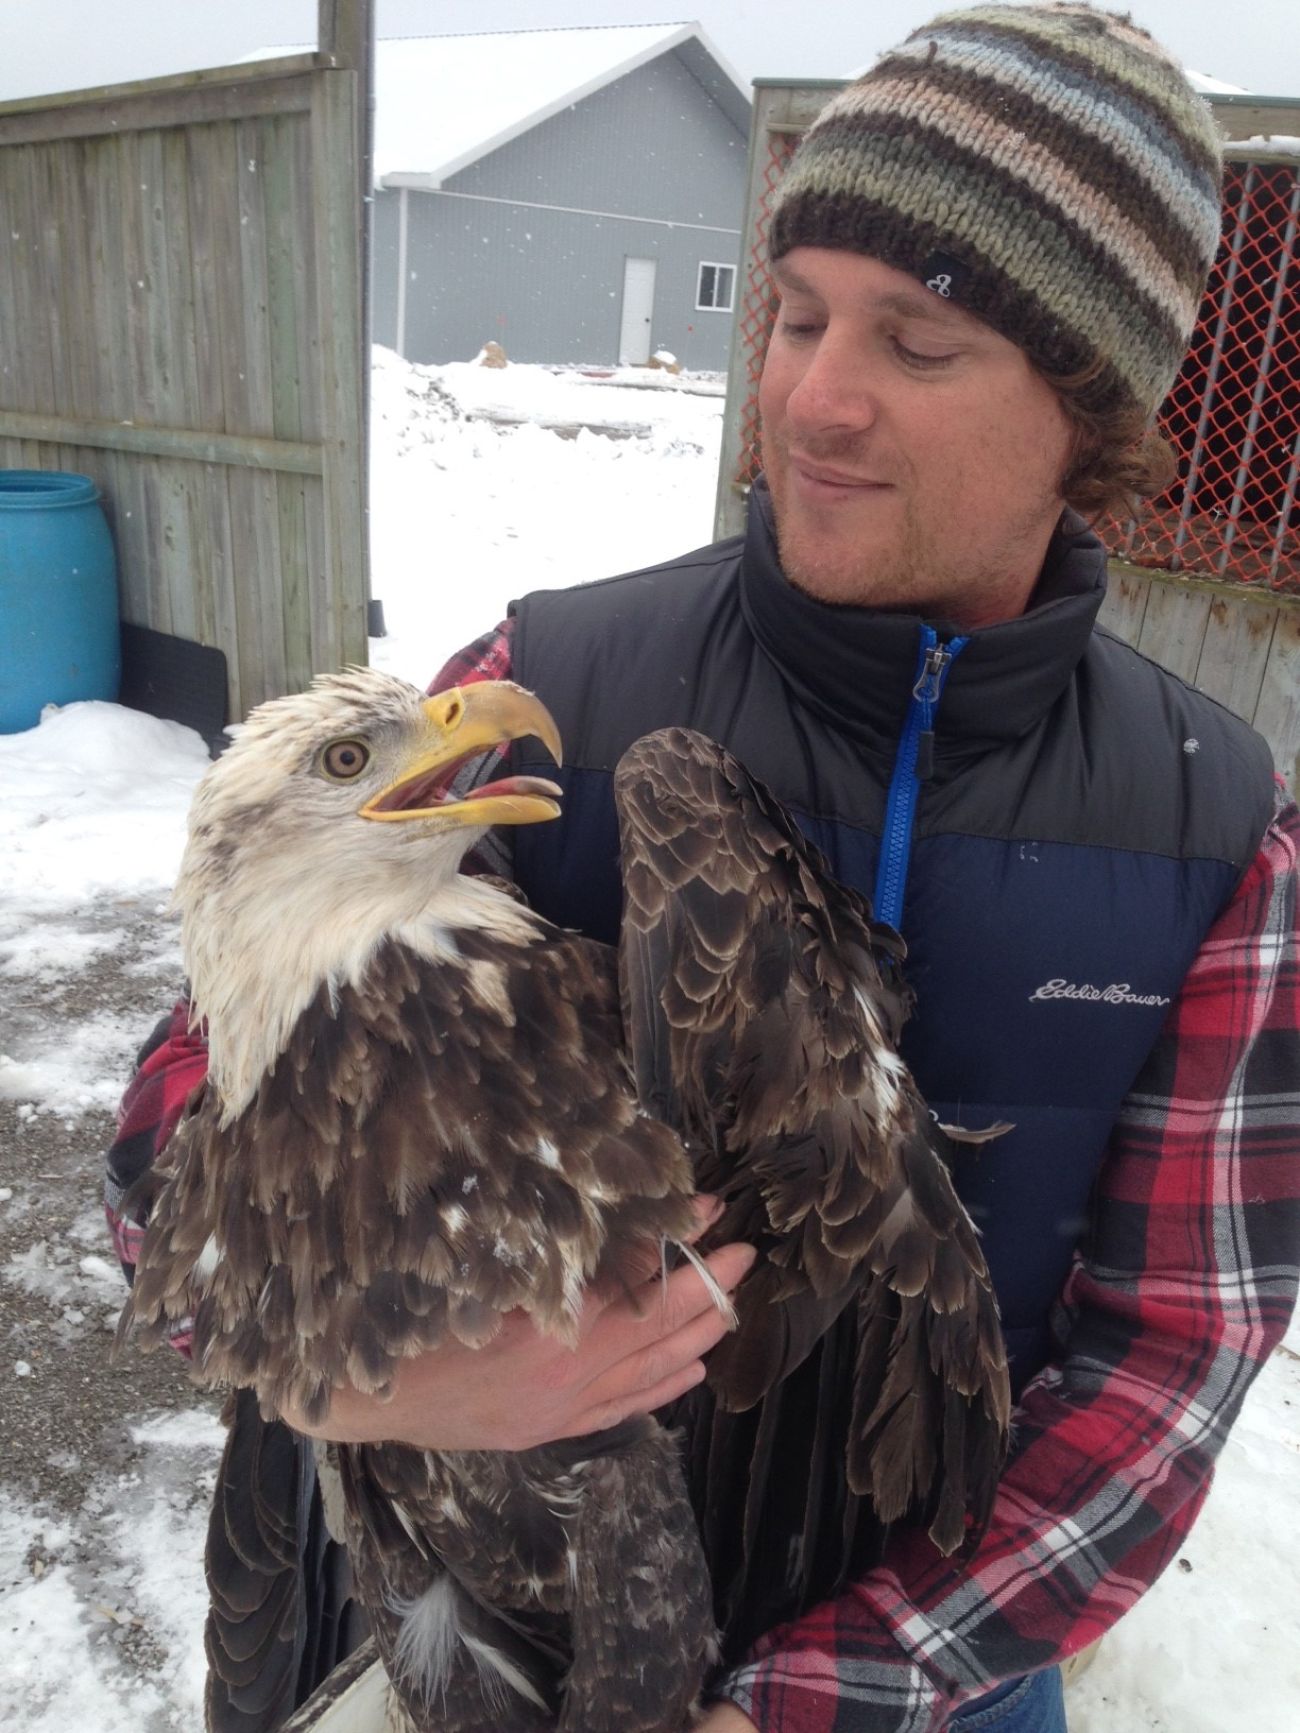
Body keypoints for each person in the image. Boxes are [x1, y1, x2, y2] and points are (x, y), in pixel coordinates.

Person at [107, 5, 1300, 1729]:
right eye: (797, 314)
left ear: (1087, 409)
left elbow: (1166, 1371)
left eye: (920, 341)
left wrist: (815, 1695)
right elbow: (186, 1100)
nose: (814, 394)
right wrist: (369, 1379)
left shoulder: (1216, 829)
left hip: (925, 1658)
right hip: (517, 1593)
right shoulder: (556, 682)